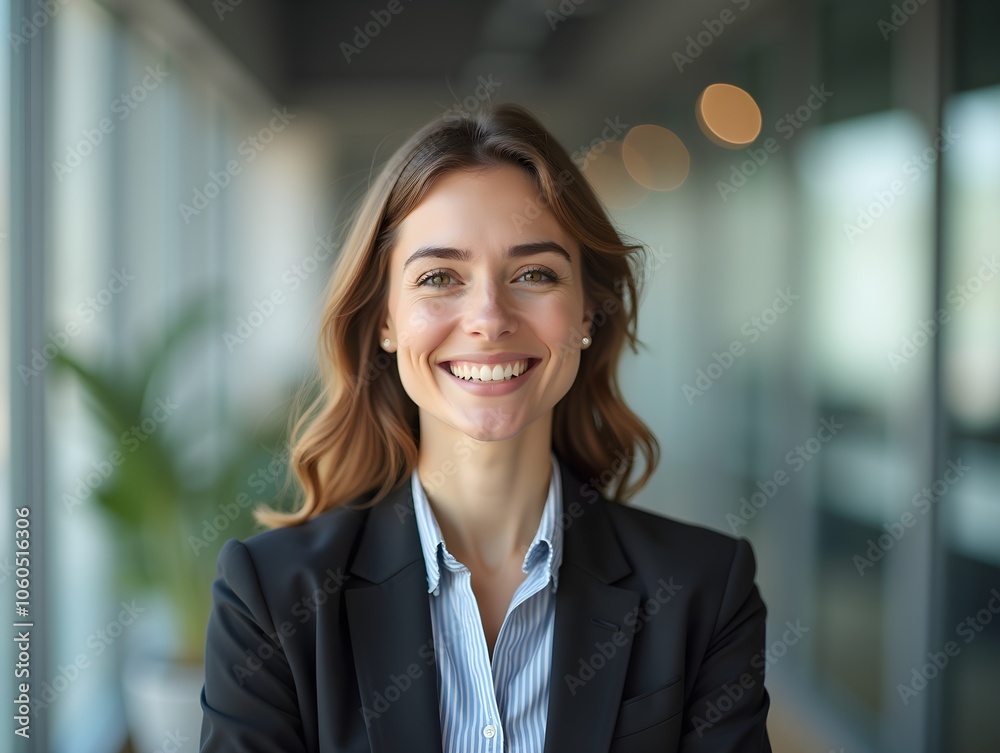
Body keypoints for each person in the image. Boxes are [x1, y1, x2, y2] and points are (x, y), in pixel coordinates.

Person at [199, 103, 772, 753]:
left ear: (587, 310)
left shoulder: (703, 588)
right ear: (384, 319)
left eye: (534, 273)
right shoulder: (270, 598)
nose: (489, 317)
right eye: (440, 277)